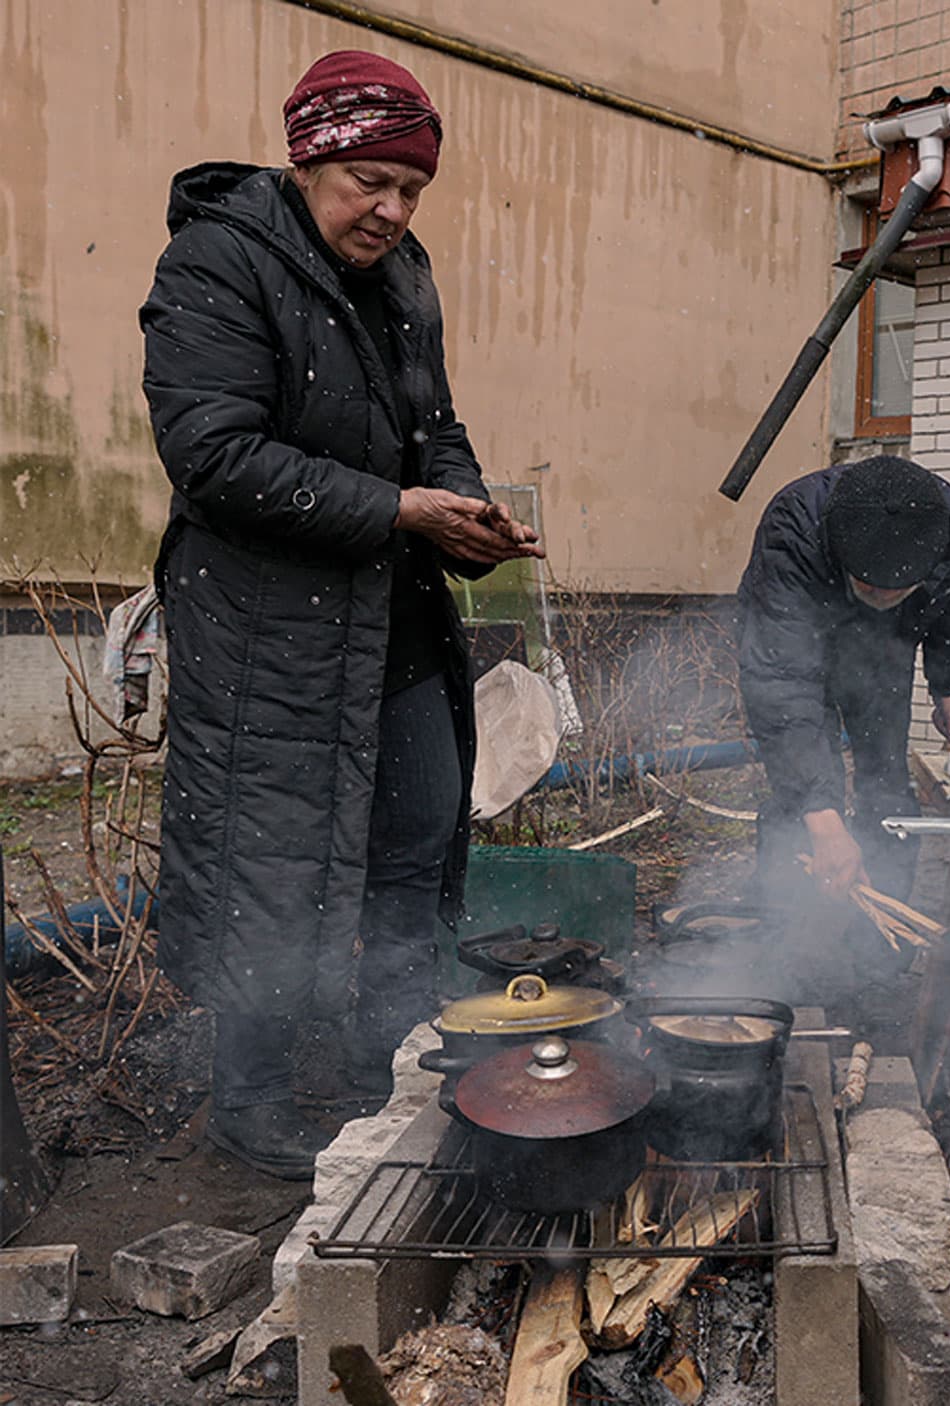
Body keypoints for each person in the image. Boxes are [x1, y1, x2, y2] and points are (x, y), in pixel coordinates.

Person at [142, 51, 542, 1180]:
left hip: (395, 611)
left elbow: (439, 422)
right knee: (273, 859)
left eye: (411, 188)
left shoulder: (407, 274)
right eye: (370, 181)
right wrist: (400, 506)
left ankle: (394, 1062)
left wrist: (463, 503)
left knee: (415, 841)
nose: (392, 209)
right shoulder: (218, 260)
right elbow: (213, 455)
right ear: (309, 156)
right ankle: (253, 1098)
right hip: (269, 626)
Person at [738, 456, 950, 911]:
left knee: (886, 779)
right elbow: (781, 683)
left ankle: (881, 923)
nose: (880, 598)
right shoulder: (795, 528)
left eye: (894, 591)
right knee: (805, 795)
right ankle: (785, 922)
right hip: (799, 645)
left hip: (885, 653)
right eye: (870, 587)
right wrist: (823, 819)